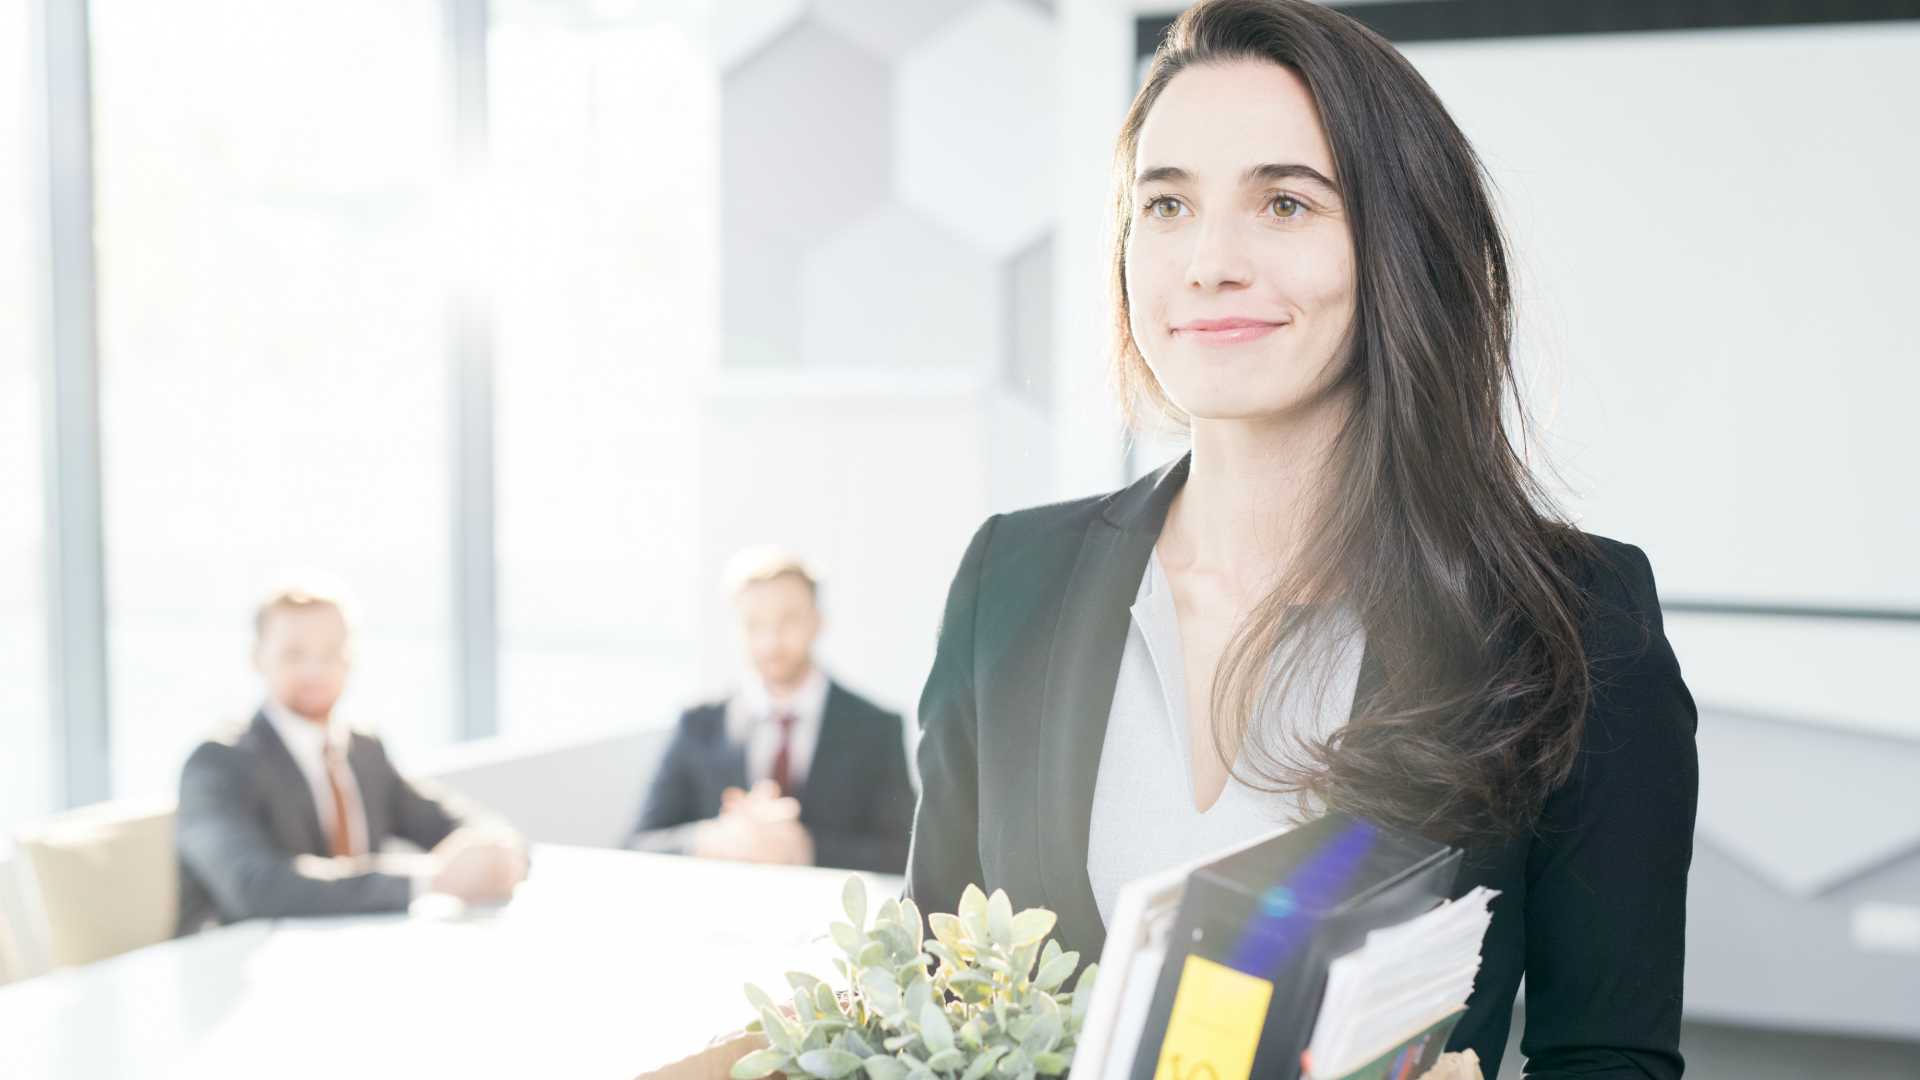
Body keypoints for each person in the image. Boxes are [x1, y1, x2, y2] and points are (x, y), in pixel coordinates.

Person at [904, 3, 1697, 1079]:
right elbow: (933, 1002)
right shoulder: (1012, 579)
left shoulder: (1572, 619)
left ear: (1400, 244)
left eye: (1284, 202)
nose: (1209, 261)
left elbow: (1610, 1056)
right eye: (1167, 203)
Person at [176, 589, 527, 932]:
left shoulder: (363, 749)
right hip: (227, 967)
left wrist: (495, 849)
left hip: (349, 953)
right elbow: (255, 888)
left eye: (331, 652)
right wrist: (429, 880)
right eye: (294, 654)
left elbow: (445, 817)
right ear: (257, 658)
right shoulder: (217, 764)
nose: (316, 669)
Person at [628, 548, 915, 875]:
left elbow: (907, 854)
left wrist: (806, 848)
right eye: (753, 624)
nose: (771, 640)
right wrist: (713, 840)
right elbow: (638, 841)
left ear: (818, 622)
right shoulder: (698, 723)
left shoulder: (876, 728)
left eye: (788, 619)